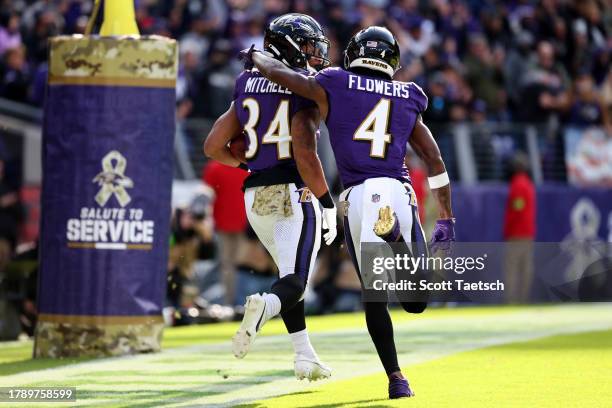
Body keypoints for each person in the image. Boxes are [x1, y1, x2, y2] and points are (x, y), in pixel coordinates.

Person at [247, 25, 455, 399]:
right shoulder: (408, 94)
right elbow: (435, 160)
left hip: (357, 198)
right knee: (417, 301)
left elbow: (283, 75)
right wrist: (446, 217)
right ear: (391, 59)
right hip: (398, 192)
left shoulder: (336, 83)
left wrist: (256, 56)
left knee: (374, 297)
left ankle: (396, 379)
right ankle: (397, 242)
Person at [203, 13, 337, 382]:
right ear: (291, 46)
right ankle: (263, 310)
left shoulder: (247, 81)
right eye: (309, 45)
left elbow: (214, 145)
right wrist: (327, 204)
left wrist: (247, 160)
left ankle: (304, 355)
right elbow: (306, 154)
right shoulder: (304, 88)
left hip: (255, 194)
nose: (315, 53)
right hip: (295, 192)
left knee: (288, 276)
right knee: (294, 283)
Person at [503, 152, 536, 303]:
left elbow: (517, 208)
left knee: (513, 267)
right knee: (525, 267)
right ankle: (523, 298)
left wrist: (508, 230)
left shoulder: (518, 183)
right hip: (528, 232)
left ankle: (512, 299)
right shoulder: (528, 183)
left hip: (517, 233)